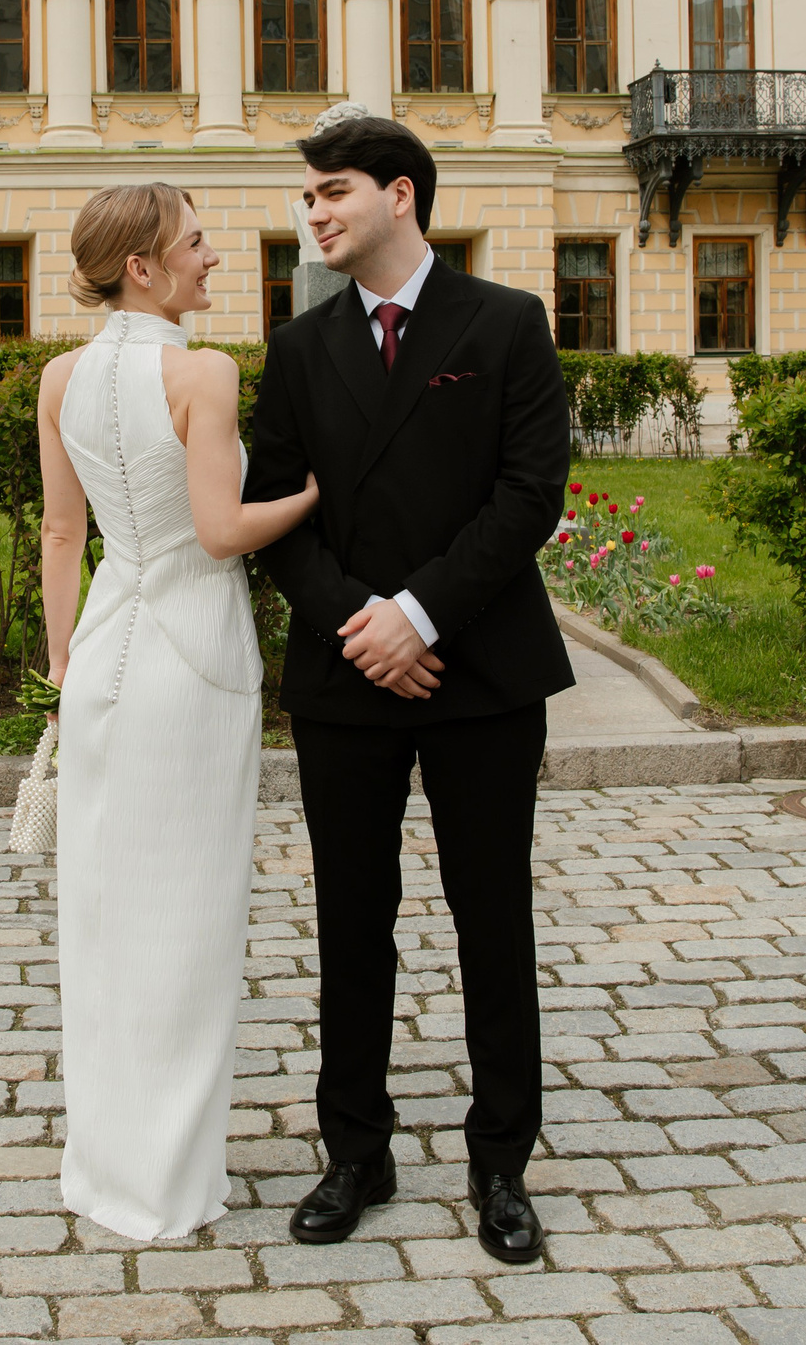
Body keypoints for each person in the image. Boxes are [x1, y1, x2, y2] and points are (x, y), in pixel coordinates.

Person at [245, 107, 574, 1264]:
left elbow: (529, 495)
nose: (314, 213)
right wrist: (361, 625)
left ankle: (501, 1161)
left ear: (400, 196)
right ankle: (356, 1150)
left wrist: (420, 614)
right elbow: (274, 512)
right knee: (351, 920)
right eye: (308, 196)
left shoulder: (505, 322)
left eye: (332, 190)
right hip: (347, 675)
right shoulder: (298, 347)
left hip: (480, 666)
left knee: (492, 917)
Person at [37, 182, 321, 1241]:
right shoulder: (204, 373)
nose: (213, 256)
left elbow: (61, 534)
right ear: (142, 267)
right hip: (193, 666)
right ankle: (169, 1184)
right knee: (191, 925)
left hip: (103, 656)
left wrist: (60, 664)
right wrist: (314, 494)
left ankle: (106, 1167)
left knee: (103, 921)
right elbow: (218, 530)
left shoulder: (59, 378)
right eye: (197, 242)